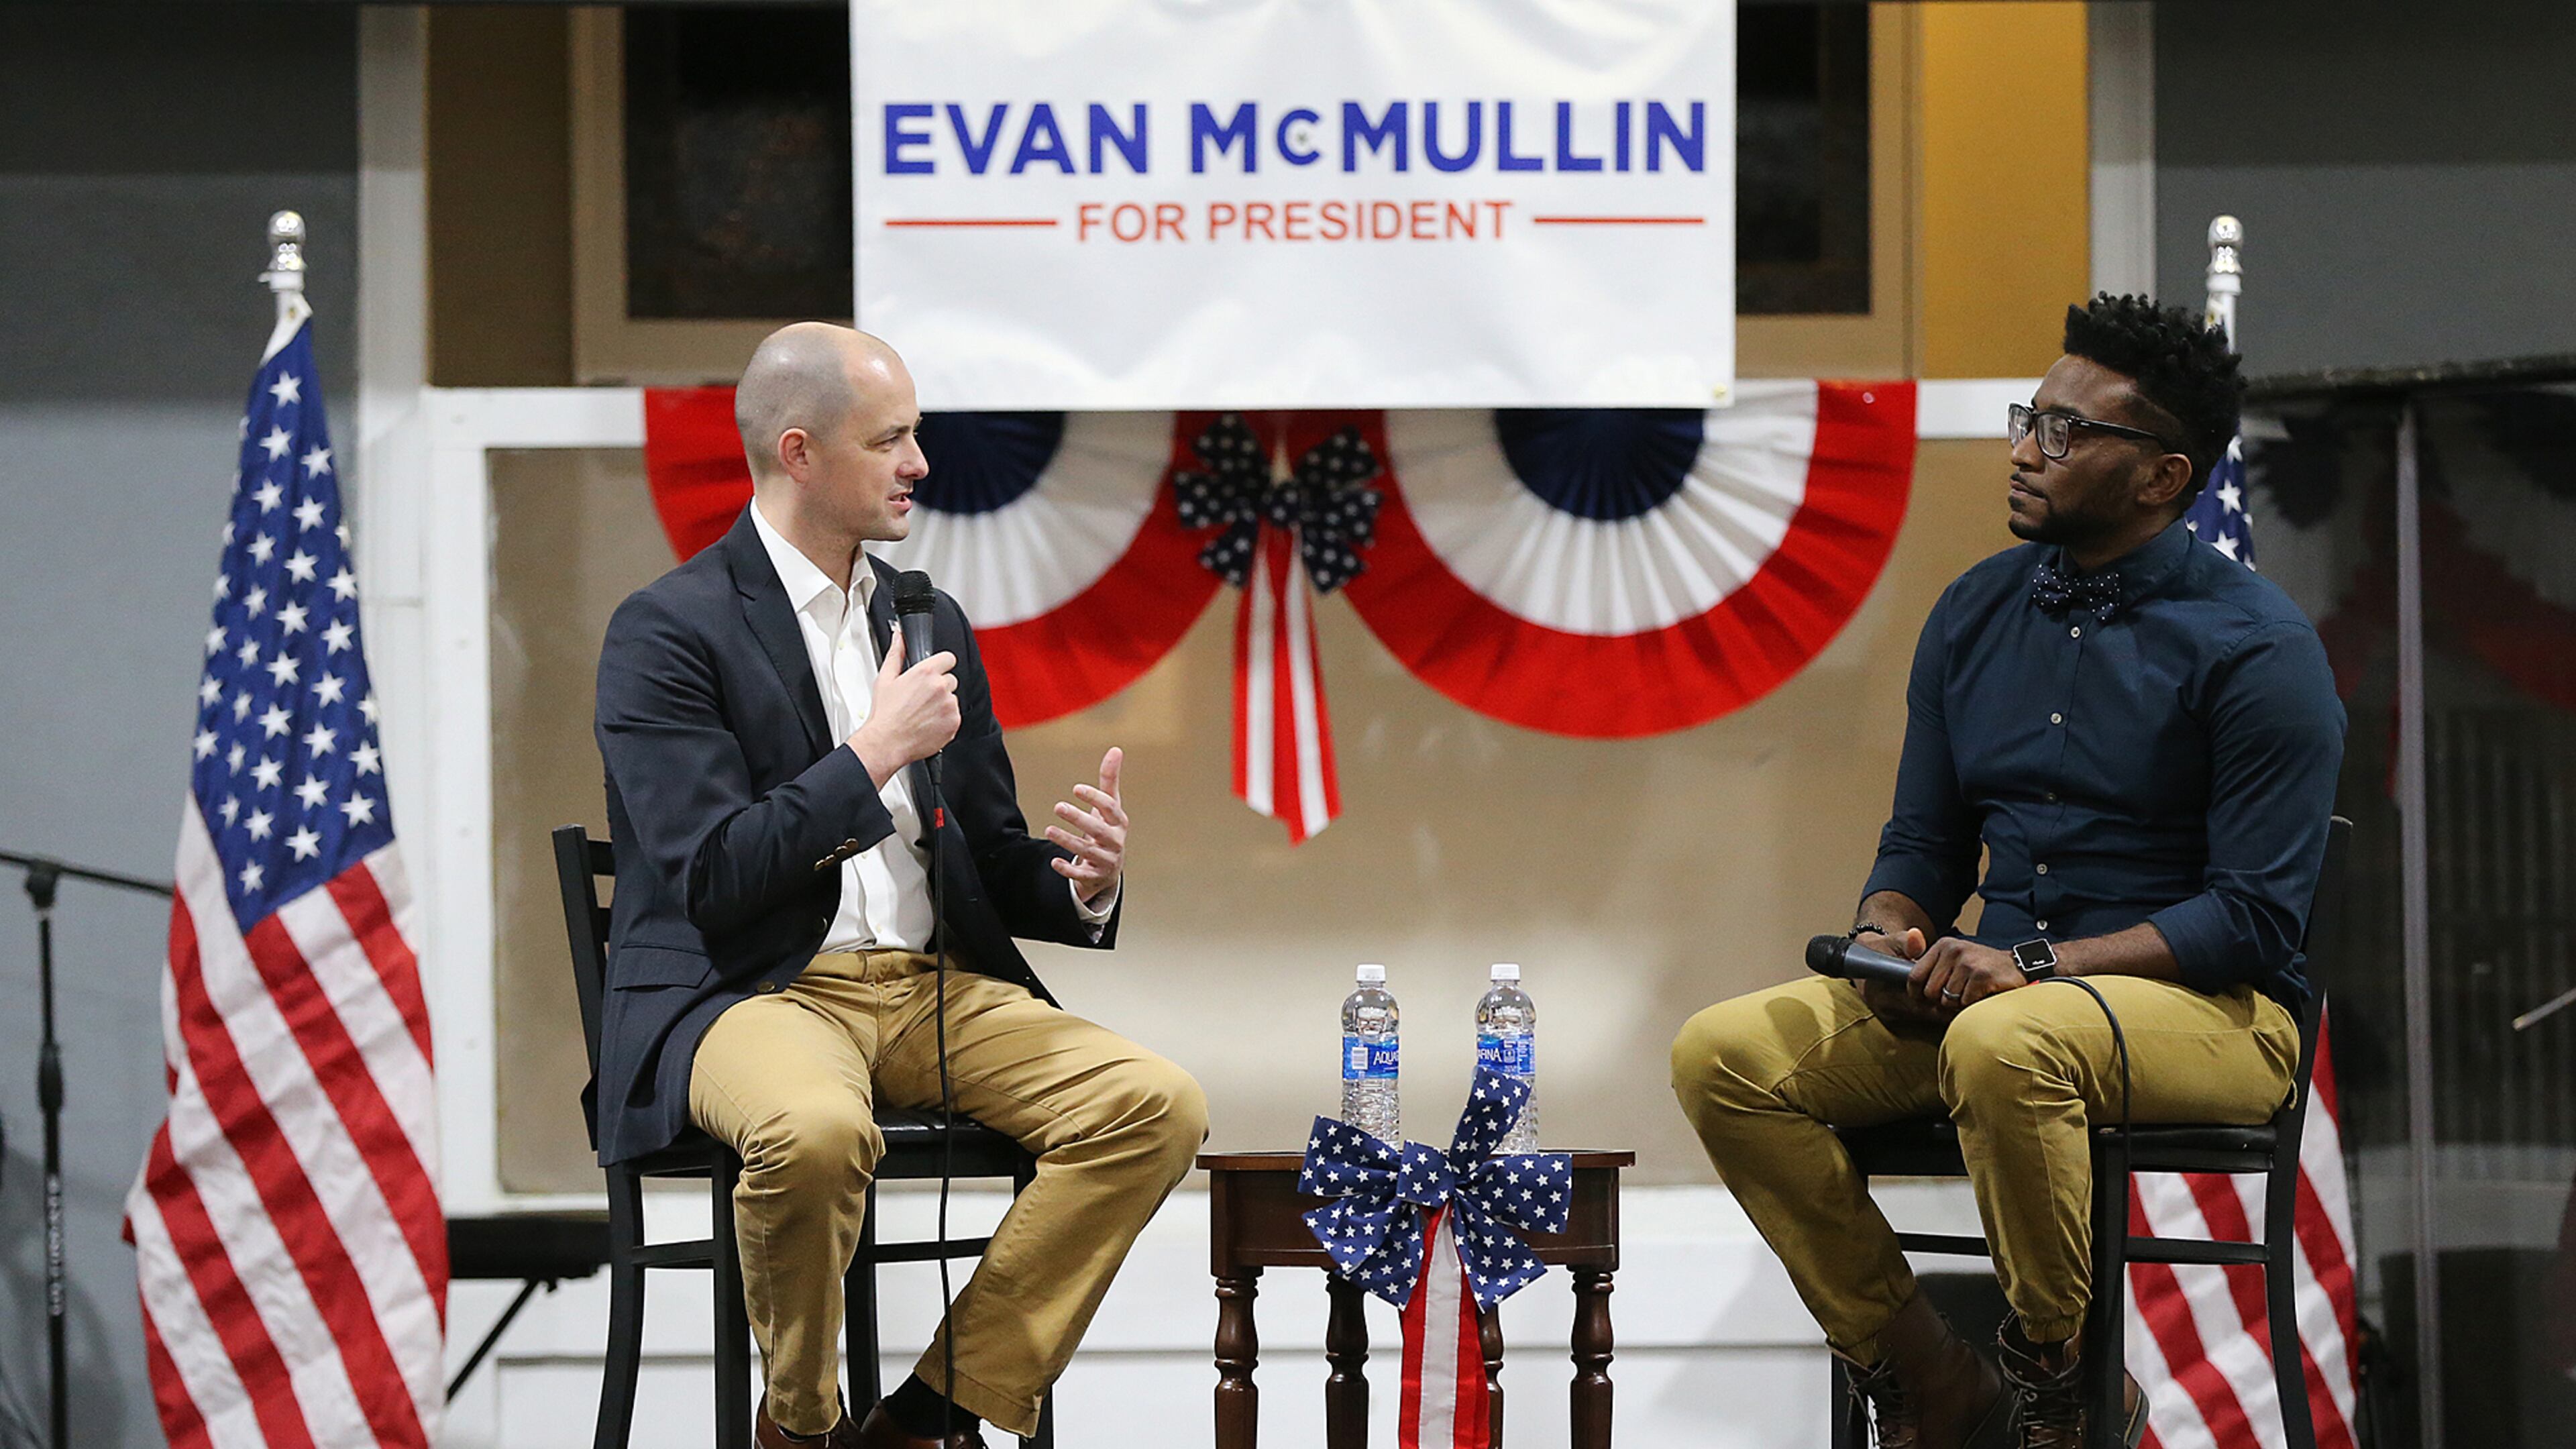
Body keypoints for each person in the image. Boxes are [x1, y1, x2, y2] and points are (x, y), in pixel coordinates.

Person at [1669, 295, 2345, 1449]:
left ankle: (2068, 1392)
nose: (2028, 450)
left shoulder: (2259, 649)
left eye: (2068, 432)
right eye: (2030, 417)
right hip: (2000, 996)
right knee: (1725, 1056)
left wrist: (2034, 966)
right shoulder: (1975, 611)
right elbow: (1926, 847)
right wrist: (1889, 930)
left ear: (2163, 476)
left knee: (2004, 1042)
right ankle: (1925, 1371)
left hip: (2216, 1014)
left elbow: (2252, 916)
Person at [592, 323, 1208, 1449]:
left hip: (931, 987)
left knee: (1153, 1105)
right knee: (817, 1133)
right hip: (750, 991)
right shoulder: (666, 631)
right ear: (799, 453)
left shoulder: (924, 621)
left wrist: (1079, 884)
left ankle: (930, 1416)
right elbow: (713, 877)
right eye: (891, 441)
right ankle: (802, 1425)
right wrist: (870, 754)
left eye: (914, 436)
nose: (920, 465)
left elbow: (984, 848)